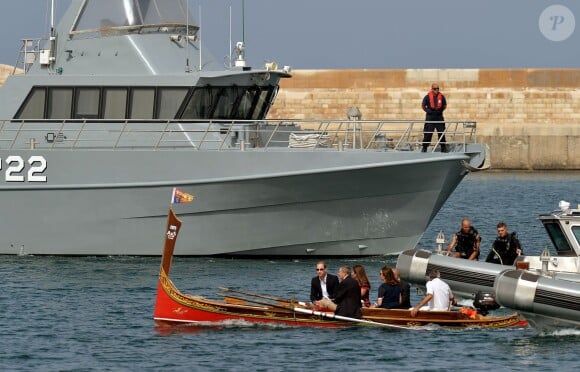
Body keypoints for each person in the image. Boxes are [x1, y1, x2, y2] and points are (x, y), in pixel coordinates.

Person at [421, 83, 447, 153]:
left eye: (438, 89)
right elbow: (423, 106)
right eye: (435, 89)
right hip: (430, 117)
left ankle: (443, 147)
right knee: (428, 133)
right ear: (432, 89)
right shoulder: (427, 97)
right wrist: (428, 111)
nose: (436, 90)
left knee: (441, 132)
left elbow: (444, 106)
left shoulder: (441, 97)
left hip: (439, 117)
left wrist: (439, 111)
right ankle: (424, 147)